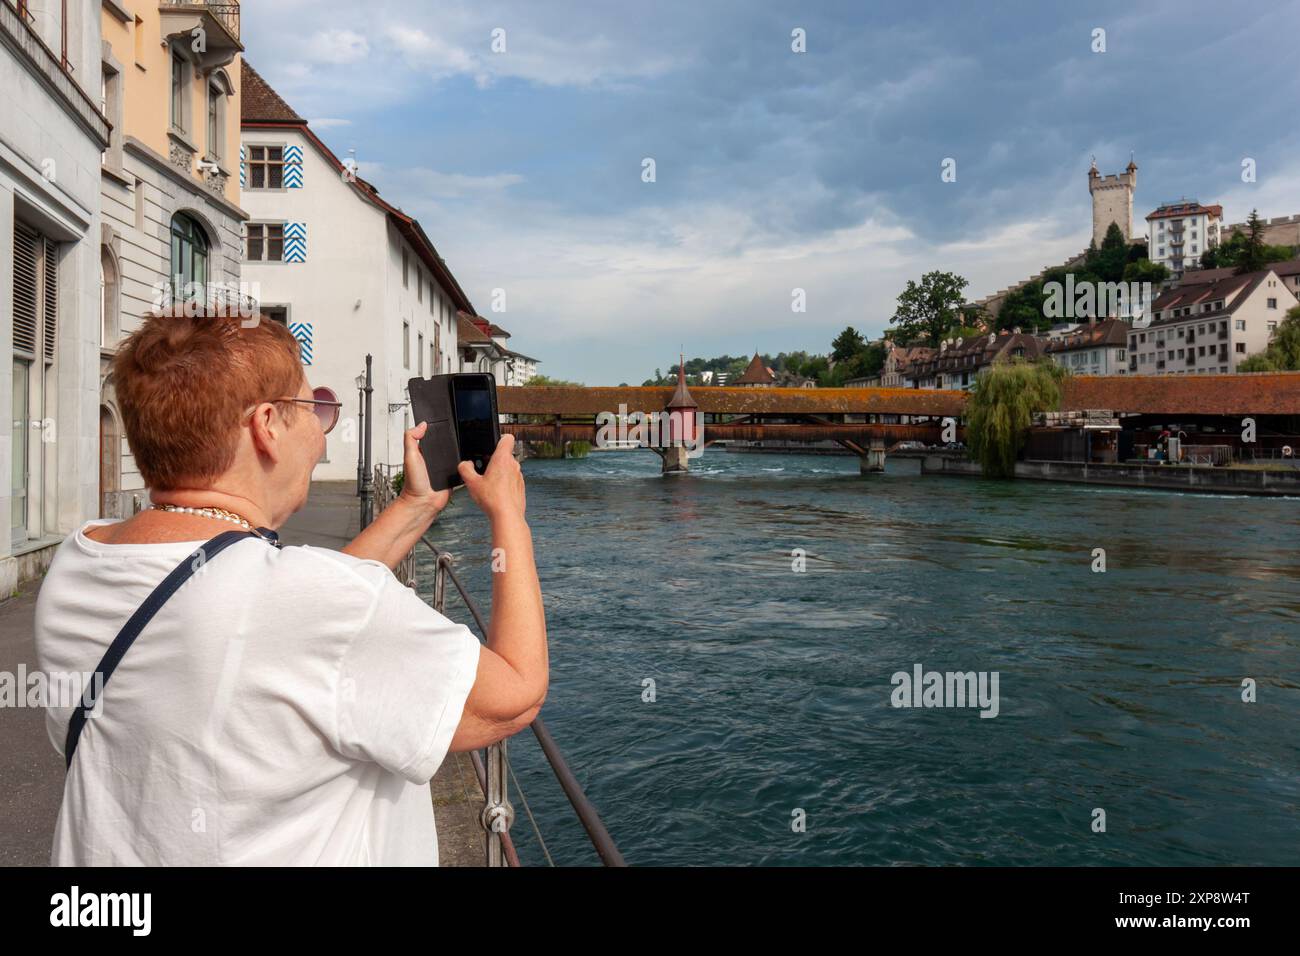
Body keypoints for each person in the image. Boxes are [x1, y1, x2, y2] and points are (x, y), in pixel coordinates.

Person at [33, 314, 547, 865]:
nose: (323, 432)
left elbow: (277, 626)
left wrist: (415, 507)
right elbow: (515, 696)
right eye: (315, 408)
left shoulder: (79, 561)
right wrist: (508, 517)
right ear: (268, 425)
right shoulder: (309, 605)